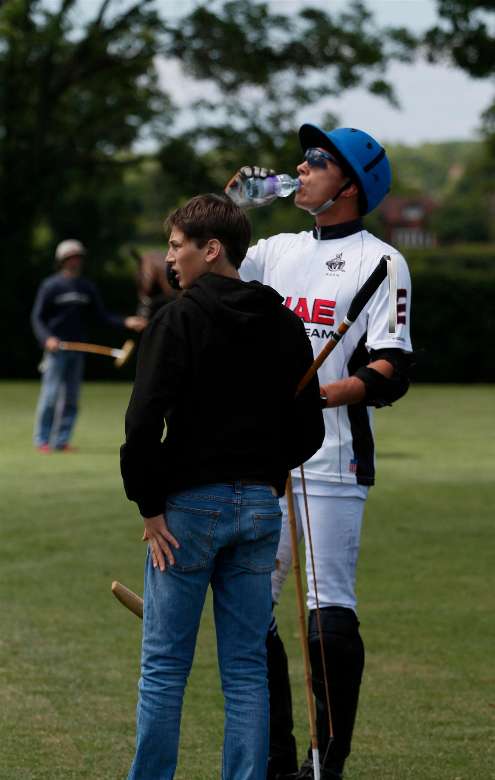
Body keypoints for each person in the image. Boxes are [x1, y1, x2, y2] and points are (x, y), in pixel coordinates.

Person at [226, 123, 417, 780]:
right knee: (252, 610)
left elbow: (392, 367)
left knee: (326, 615)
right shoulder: (273, 251)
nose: (300, 169)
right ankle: (278, 762)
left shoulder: (383, 261)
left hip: (334, 460)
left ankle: (325, 763)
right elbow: (203, 273)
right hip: (263, 460)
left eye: (316, 161)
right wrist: (233, 211)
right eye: (301, 160)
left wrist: (319, 398)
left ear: (351, 183)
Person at [120, 193, 325, 780]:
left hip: (187, 513)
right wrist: (265, 469)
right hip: (261, 511)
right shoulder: (286, 324)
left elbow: (141, 423)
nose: (169, 259)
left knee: (163, 669)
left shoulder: (177, 318)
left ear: (211, 250)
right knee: (246, 671)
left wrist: (150, 505)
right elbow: (308, 429)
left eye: (177, 246)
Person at [30, 239, 147, 452]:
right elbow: (37, 318)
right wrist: (47, 338)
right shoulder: (51, 285)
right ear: (62, 260)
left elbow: (101, 317)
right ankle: (42, 440)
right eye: (73, 257)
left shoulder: (86, 287)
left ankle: (60, 441)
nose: (77, 260)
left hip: (78, 350)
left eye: (79, 256)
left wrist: (126, 322)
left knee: (71, 399)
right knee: (50, 396)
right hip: (56, 351)